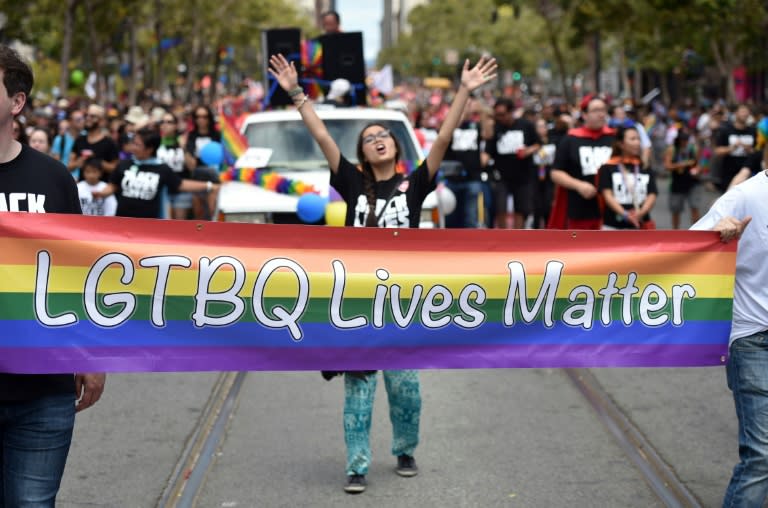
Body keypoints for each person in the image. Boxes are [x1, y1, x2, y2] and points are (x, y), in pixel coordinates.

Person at [269, 51, 497, 494]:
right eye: (369, 137)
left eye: (384, 136)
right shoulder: (353, 182)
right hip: (357, 300)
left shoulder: (416, 183)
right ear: (361, 152)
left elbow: (444, 139)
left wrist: (465, 92)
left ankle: (405, 447)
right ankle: (357, 465)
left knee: (406, 387)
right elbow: (320, 134)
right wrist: (296, 92)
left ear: (395, 146)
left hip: (405, 302)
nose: (377, 140)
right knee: (359, 388)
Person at [0, 44, 106, 507]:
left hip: (43, 390)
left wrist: (93, 355)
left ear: (16, 102)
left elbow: (78, 274)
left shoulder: (53, 178)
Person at [689, 167, 764, 507]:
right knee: (762, 455)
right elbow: (687, 250)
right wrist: (717, 236)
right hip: (754, 338)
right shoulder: (745, 195)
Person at [94, 126, 220, 218]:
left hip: (149, 226)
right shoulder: (124, 164)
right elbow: (113, 185)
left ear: (149, 149)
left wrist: (209, 186)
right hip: (123, 222)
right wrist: (101, 193)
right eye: (133, 143)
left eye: (138, 145)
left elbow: (180, 184)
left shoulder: (161, 168)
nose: (133, 147)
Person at [549, 95, 615, 229]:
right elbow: (556, 172)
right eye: (596, 110)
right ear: (584, 114)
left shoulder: (614, 138)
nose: (601, 114)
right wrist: (578, 185)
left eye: (603, 110)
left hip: (613, 210)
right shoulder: (571, 139)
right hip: (580, 209)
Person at [485, 97, 541, 229]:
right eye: (497, 115)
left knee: (521, 209)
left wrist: (528, 151)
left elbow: (538, 143)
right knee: (500, 208)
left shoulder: (526, 125)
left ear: (511, 112)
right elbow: (488, 148)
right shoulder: (495, 128)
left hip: (523, 175)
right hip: (501, 175)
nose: (500, 118)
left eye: (503, 114)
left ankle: (517, 238)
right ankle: (503, 237)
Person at [597, 125, 658, 229]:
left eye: (639, 139)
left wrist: (640, 213)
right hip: (613, 225)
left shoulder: (644, 166)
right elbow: (607, 195)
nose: (637, 142)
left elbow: (652, 193)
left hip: (640, 224)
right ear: (621, 144)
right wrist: (625, 214)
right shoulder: (608, 167)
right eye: (633, 139)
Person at [664, 126, 704, 229]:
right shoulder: (672, 149)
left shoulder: (693, 148)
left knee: (695, 207)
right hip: (677, 183)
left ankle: (697, 232)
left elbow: (699, 164)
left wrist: (697, 170)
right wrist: (683, 164)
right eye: (683, 140)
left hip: (693, 182)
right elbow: (667, 166)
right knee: (676, 210)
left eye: (686, 140)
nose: (685, 142)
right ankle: (675, 232)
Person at [68, 104, 119, 180]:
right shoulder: (80, 140)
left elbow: (115, 168)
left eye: (92, 116)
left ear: (101, 121)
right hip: (83, 187)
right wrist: (78, 162)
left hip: (102, 189)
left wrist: (98, 162)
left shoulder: (109, 143)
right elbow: (69, 166)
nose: (88, 118)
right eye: (87, 115)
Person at [156, 111, 192, 219]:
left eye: (169, 122)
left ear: (176, 125)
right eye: (162, 122)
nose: (165, 124)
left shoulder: (183, 141)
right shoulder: (155, 142)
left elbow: (191, 167)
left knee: (179, 228)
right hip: (161, 190)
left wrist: (183, 148)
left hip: (180, 191)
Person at [714, 104, 756, 193]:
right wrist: (731, 148)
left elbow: (758, 152)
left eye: (747, 112)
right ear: (736, 113)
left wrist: (750, 150)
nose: (745, 114)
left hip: (748, 174)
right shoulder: (726, 130)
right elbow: (717, 151)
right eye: (742, 112)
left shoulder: (753, 130)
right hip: (729, 173)